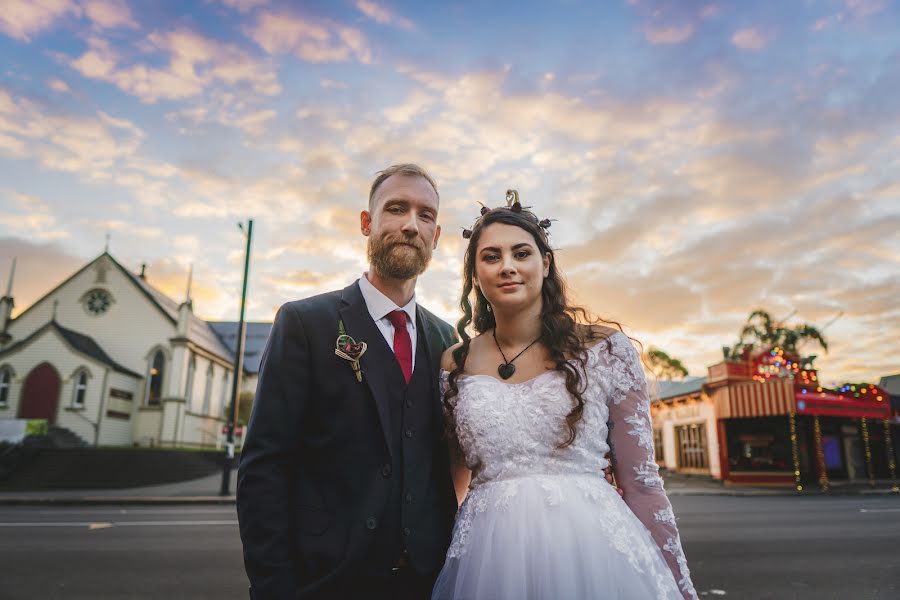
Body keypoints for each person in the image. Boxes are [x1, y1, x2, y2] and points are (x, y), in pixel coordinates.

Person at [432, 192, 699, 600]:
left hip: (594, 553)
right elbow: (454, 478)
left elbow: (642, 484)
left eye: (521, 253)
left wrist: (679, 584)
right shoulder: (454, 363)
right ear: (475, 273)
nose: (507, 267)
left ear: (545, 262)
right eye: (490, 257)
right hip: (488, 561)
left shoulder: (604, 350)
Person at [236, 164, 459, 599]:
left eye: (425, 215)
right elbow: (264, 467)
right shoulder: (304, 323)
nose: (411, 225)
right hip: (326, 581)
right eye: (396, 209)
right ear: (366, 223)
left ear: (436, 236)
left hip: (427, 583)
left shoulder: (446, 340)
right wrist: (273, 588)